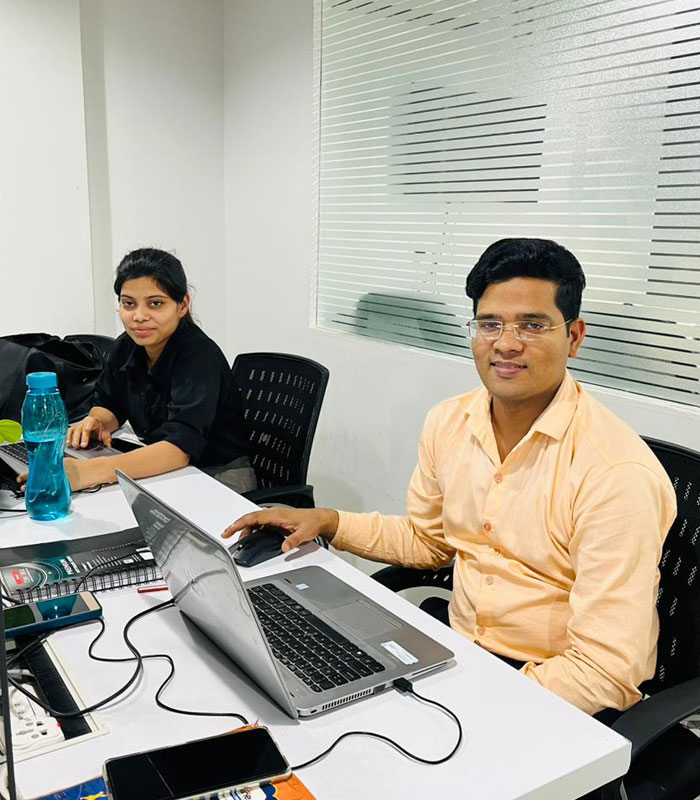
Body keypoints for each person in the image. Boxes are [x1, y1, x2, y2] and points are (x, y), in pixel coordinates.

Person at [223, 238, 676, 717]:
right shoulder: (449, 422)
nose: (506, 343)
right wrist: (329, 521)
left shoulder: (615, 474)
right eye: (490, 323)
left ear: (575, 336)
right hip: (461, 655)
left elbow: (604, 671)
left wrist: (469, 703)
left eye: (533, 325)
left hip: (552, 692)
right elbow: (429, 542)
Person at [32, 248, 254, 493]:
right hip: (167, 467)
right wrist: (97, 421)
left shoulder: (199, 355)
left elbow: (179, 448)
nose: (139, 316)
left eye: (155, 304)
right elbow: (110, 403)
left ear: (182, 305)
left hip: (218, 475)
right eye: (129, 304)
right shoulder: (128, 345)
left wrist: (89, 472)